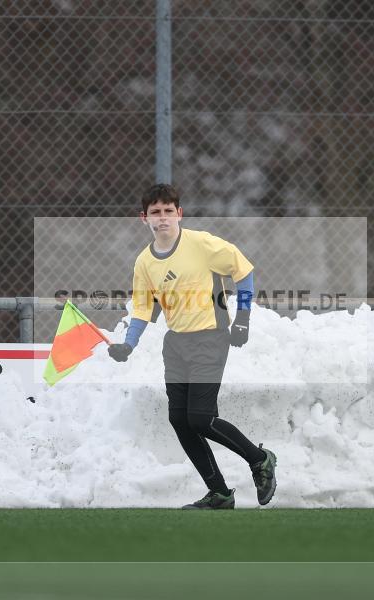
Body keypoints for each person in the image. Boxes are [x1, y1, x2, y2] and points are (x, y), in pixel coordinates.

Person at [108, 183, 276, 510]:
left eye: (169, 211)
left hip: (210, 338)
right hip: (176, 345)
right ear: (144, 219)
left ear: (179, 214)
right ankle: (220, 493)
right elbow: (143, 308)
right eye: (155, 212)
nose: (163, 218)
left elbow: (244, 271)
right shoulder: (144, 262)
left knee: (200, 418)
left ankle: (260, 460)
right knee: (180, 420)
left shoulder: (202, 244)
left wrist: (242, 319)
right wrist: (127, 345)